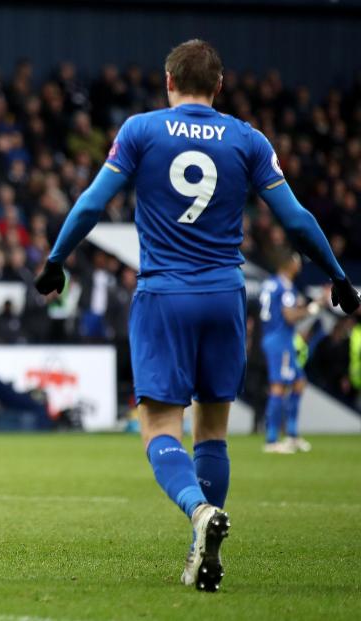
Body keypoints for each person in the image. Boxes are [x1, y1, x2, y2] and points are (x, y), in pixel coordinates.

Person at [34, 40, 359, 592]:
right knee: (213, 432)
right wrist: (338, 276)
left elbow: (91, 203)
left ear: (168, 81)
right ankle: (199, 550)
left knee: (160, 427)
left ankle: (197, 513)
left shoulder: (141, 131)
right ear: (220, 85)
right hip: (225, 295)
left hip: (165, 295)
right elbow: (297, 219)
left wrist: (55, 260)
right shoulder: (248, 139)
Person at [258, 253, 319, 453]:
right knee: (278, 387)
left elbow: (283, 309)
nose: (300, 264)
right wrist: (311, 310)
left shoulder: (271, 283)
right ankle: (272, 440)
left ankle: (291, 435)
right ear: (289, 264)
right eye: (296, 260)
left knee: (299, 382)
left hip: (275, 338)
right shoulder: (285, 286)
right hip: (280, 341)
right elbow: (289, 316)